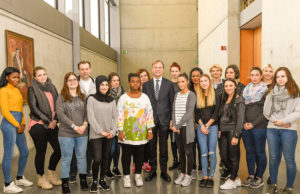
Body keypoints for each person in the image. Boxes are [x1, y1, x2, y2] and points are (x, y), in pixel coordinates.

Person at [263, 67, 300, 194]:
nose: (280, 79)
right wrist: (276, 121)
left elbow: (298, 112)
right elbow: (267, 111)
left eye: (283, 76)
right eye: (278, 77)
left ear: (288, 77)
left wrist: (284, 121)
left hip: (289, 130)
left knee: (289, 159)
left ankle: (289, 187)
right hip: (272, 129)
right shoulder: (271, 93)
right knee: (273, 157)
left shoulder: (295, 92)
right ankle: (273, 184)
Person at [117, 73, 154, 188]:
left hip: (140, 133)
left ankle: (138, 175)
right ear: (129, 83)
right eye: (133, 81)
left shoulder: (145, 97)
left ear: (140, 83)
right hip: (127, 133)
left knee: (140, 156)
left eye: (137, 82)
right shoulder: (123, 97)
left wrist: (150, 130)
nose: (135, 83)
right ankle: (126, 177)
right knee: (126, 156)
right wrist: (120, 130)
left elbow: (149, 114)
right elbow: (119, 114)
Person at [27, 66, 61, 189]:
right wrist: (49, 121)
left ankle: (50, 173)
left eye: (44, 74)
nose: (43, 77)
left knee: (59, 149)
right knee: (41, 151)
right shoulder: (32, 89)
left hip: (52, 123)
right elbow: (34, 108)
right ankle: (41, 178)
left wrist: (55, 120)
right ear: (35, 77)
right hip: (38, 124)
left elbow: (58, 104)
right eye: (40, 75)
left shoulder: (52, 87)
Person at [0, 67, 33, 193]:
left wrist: (23, 123)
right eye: (14, 77)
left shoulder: (17, 90)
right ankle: (7, 184)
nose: (17, 79)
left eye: (18, 77)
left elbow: (20, 109)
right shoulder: (3, 90)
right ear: (7, 77)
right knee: (9, 154)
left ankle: (19, 178)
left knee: (24, 151)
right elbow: (5, 111)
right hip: (9, 124)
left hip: (19, 123)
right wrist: (17, 124)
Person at [56, 72, 89, 193]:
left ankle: (83, 180)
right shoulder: (61, 97)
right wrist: (74, 126)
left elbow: (87, 113)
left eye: (74, 79)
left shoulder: (83, 96)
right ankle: (65, 184)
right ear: (66, 82)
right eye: (69, 80)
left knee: (81, 157)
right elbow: (60, 114)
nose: (72, 82)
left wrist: (84, 125)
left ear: (77, 81)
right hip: (66, 133)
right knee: (66, 158)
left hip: (82, 133)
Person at [142, 60, 174, 182]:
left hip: (165, 120)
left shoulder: (169, 84)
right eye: (155, 67)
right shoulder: (146, 85)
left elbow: (172, 103)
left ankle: (164, 172)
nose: (157, 69)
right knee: (151, 147)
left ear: (163, 69)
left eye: (160, 67)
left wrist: (171, 119)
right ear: (152, 69)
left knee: (164, 148)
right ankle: (153, 171)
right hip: (150, 121)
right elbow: (143, 104)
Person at [87, 75, 117, 192]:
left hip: (109, 134)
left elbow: (115, 117)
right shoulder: (91, 99)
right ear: (97, 85)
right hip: (96, 134)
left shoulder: (112, 100)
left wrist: (112, 131)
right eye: (102, 84)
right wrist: (101, 131)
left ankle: (102, 180)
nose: (104, 87)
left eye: (106, 84)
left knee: (106, 157)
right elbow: (91, 117)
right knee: (97, 159)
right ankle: (94, 181)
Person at [241, 67, 268, 189]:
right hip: (246, 127)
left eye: (257, 75)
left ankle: (259, 177)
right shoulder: (246, 90)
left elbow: (266, 112)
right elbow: (243, 109)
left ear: (261, 76)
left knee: (260, 152)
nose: (254, 77)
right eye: (252, 75)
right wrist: (245, 123)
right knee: (249, 151)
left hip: (259, 126)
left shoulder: (265, 91)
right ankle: (251, 175)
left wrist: (253, 124)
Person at [69, 61, 96, 182]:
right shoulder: (74, 82)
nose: (85, 71)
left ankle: (87, 170)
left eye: (87, 68)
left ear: (90, 69)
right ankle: (73, 173)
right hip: (78, 120)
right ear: (79, 70)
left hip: (92, 120)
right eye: (82, 69)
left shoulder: (95, 82)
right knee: (76, 148)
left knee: (89, 148)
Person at [216, 64, 245, 170]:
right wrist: (219, 127)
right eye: (227, 72)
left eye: (231, 72)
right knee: (223, 153)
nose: (229, 74)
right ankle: (228, 170)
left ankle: (233, 175)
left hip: (234, 126)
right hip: (223, 126)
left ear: (236, 73)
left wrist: (237, 133)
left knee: (233, 151)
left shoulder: (242, 88)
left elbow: (241, 111)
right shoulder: (221, 87)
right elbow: (219, 108)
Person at [219, 79, 245, 190]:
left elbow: (240, 119)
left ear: (235, 86)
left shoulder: (239, 100)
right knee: (224, 157)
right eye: (226, 86)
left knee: (234, 157)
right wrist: (220, 129)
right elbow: (222, 116)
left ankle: (233, 179)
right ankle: (237, 178)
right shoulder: (224, 98)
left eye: (231, 85)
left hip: (232, 131)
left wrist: (236, 135)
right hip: (223, 131)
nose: (228, 88)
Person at [195, 74, 220, 188]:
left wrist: (208, 125)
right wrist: (202, 126)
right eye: (201, 81)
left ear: (209, 82)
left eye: (206, 80)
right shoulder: (198, 96)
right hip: (201, 128)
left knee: (212, 153)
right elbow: (196, 114)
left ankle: (211, 177)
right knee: (203, 153)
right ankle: (205, 176)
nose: (204, 83)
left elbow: (216, 113)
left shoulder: (216, 95)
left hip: (213, 127)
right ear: (199, 83)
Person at [171, 73, 196, 187]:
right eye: (179, 82)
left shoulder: (191, 95)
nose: (180, 84)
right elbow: (174, 111)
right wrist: (175, 125)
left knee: (188, 151)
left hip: (186, 127)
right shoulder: (177, 95)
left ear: (187, 82)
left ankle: (189, 175)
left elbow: (189, 113)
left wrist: (178, 125)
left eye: (183, 81)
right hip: (177, 128)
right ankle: (182, 173)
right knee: (180, 151)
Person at [105, 72, 125, 179]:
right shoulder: (106, 94)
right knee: (111, 149)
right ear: (110, 82)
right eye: (114, 80)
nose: (116, 82)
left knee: (118, 149)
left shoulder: (123, 92)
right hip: (110, 125)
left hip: (120, 125)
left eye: (117, 80)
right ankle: (106, 169)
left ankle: (115, 167)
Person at [189, 67, 203, 180]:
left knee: (202, 146)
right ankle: (193, 168)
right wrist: (193, 121)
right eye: (193, 76)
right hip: (190, 123)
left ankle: (202, 168)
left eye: (197, 75)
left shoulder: (205, 88)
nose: (195, 78)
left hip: (203, 122)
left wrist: (200, 122)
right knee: (192, 146)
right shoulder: (188, 89)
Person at [168, 62, 181, 170]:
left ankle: (181, 160)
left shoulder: (182, 83)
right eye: (172, 71)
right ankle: (175, 159)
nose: (174, 73)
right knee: (172, 140)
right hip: (170, 115)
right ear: (170, 72)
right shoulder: (167, 83)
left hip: (181, 115)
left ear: (179, 72)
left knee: (180, 138)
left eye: (176, 71)